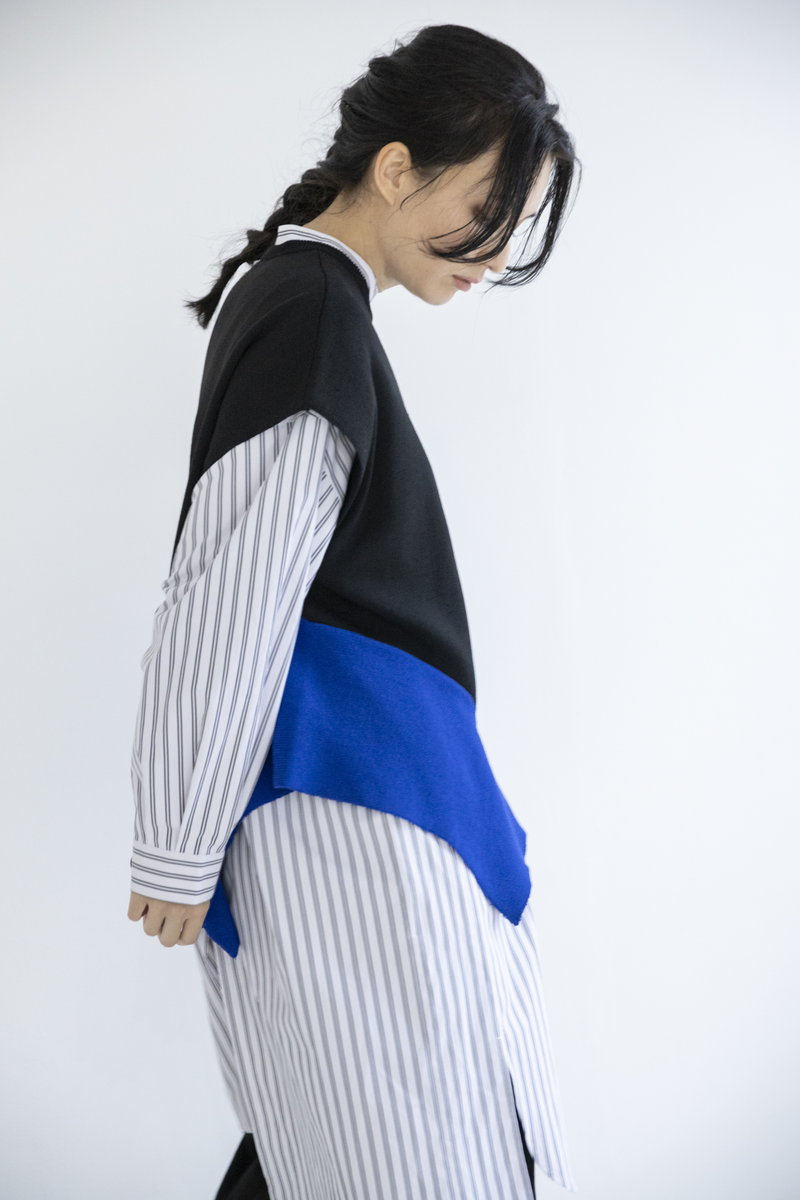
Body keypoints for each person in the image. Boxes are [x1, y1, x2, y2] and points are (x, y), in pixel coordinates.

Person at [127, 22, 581, 1200]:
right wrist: (175, 841)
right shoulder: (309, 311)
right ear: (394, 168)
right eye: (487, 209)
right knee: (407, 1155)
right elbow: (229, 594)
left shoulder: (309, 306)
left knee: (359, 1140)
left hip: (383, 803)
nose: (497, 252)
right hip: (355, 813)